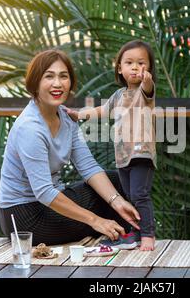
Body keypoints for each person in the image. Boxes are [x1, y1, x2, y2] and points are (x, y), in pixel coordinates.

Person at [0, 49, 141, 246]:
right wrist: (95, 220)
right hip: (24, 217)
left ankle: (124, 236)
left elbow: (89, 167)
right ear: (35, 83)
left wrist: (117, 201)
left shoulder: (65, 116)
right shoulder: (30, 128)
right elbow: (45, 192)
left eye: (63, 76)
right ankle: (113, 233)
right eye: (49, 76)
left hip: (49, 205)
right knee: (97, 212)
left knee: (115, 181)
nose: (57, 84)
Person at [65, 40, 157, 251]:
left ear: (149, 68)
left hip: (142, 154)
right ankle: (133, 232)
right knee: (127, 196)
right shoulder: (118, 95)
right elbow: (101, 111)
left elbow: (149, 87)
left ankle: (148, 235)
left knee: (140, 194)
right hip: (123, 156)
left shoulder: (145, 93)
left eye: (141, 63)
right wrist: (78, 115)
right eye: (129, 62)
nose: (135, 67)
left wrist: (147, 81)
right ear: (120, 68)